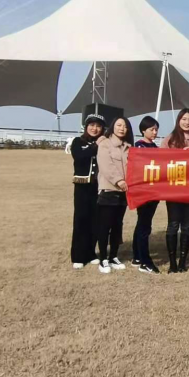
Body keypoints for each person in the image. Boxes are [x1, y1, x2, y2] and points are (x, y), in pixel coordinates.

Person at [160, 109, 189, 273]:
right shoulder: (170, 139)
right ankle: (172, 262)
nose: (187, 122)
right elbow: (161, 161)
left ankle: (183, 262)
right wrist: (179, 155)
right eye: (184, 119)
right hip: (173, 189)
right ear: (179, 120)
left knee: (187, 226)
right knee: (173, 224)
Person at [96, 116, 134, 274]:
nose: (122, 128)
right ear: (113, 127)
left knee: (117, 226)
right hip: (109, 190)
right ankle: (103, 259)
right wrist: (119, 180)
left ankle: (113, 256)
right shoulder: (105, 144)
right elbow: (106, 165)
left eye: (124, 126)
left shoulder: (129, 147)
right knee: (105, 226)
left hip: (123, 193)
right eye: (119, 125)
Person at [70, 113, 106, 270]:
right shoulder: (78, 142)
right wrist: (96, 145)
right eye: (92, 125)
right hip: (82, 187)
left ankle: (91, 253)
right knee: (81, 220)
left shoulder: (104, 143)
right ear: (86, 127)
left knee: (95, 221)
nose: (95, 128)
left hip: (98, 187)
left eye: (98, 126)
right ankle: (78, 256)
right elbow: (80, 156)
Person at [131, 116, 161, 274]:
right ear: (143, 130)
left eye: (156, 129)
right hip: (143, 192)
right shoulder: (139, 146)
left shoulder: (155, 147)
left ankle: (137, 256)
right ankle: (145, 261)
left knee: (142, 224)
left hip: (153, 193)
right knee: (144, 226)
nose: (154, 132)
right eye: (152, 129)